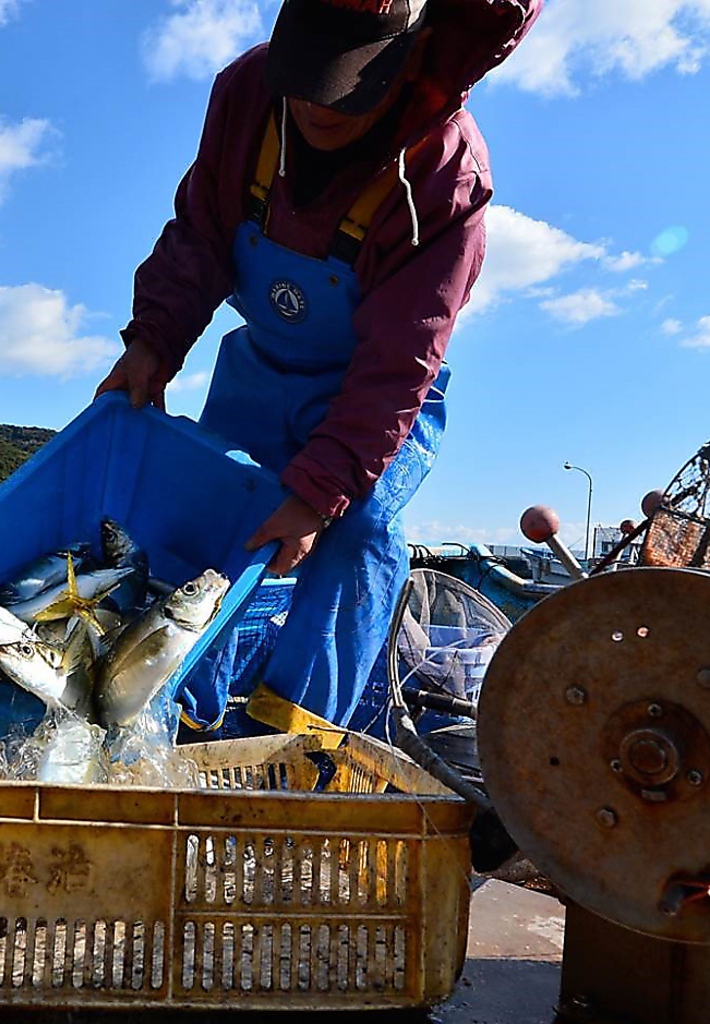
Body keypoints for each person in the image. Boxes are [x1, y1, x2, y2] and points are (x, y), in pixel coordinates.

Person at [95, 0, 542, 734]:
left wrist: (321, 491)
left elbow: (398, 365)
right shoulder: (246, 92)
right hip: (261, 372)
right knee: (215, 515)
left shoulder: (445, 173)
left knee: (359, 532)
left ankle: (294, 745)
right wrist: (152, 341)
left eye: (344, 82)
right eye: (304, 72)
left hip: (379, 398)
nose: (311, 104)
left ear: (406, 59)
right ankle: (180, 722)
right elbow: (201, 233)